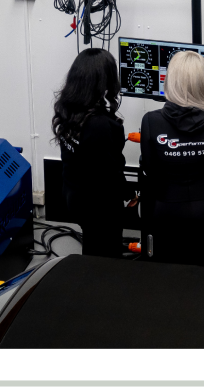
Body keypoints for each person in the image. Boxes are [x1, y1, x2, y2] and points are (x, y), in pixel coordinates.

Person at [139, 50, 204, 267]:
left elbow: (151, 173)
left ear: (170, 80)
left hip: (166, 211)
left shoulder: (150, 121)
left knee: (169, 277)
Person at [52, 48, 137, 258]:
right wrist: (130, 194)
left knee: (93, 244)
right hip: (98, 206)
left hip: (73, 195)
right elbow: (109, 174)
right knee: (105, 257)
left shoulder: (69, 110)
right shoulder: (99, 125)